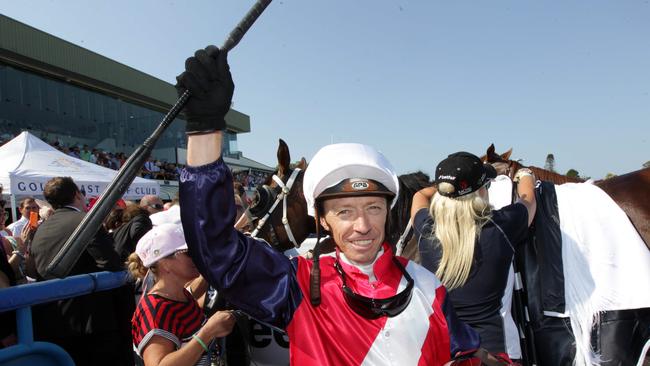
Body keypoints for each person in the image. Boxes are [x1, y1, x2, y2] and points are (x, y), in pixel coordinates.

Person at [176, 45, 486, 365]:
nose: (362, 225)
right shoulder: (295, 287)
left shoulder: (428, 286)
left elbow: (466, 354)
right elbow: (216, 248)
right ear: (322, 220)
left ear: (388, 212)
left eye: (373, 208)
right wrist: (204, 127)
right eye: (344, 212)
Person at [410, 152, 537, 363]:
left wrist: (446, 187)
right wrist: (525, 174)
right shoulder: (502, 226)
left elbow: (419, 196)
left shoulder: (426, 229)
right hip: (493, 355)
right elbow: (529, 200)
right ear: (480, 190)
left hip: (444, 353)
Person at [27, 176, 133, 365]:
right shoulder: (85, 221)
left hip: (55, 321)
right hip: (92, 322)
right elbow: (110, 262)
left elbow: (34, 271)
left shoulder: (41, 229)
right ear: (77, 194)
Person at [129, 223, 236, 366]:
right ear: (164, 263)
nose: (197, 257)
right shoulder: (155, 309)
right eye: (189, 253)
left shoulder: (180, 296)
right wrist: (207, 333)